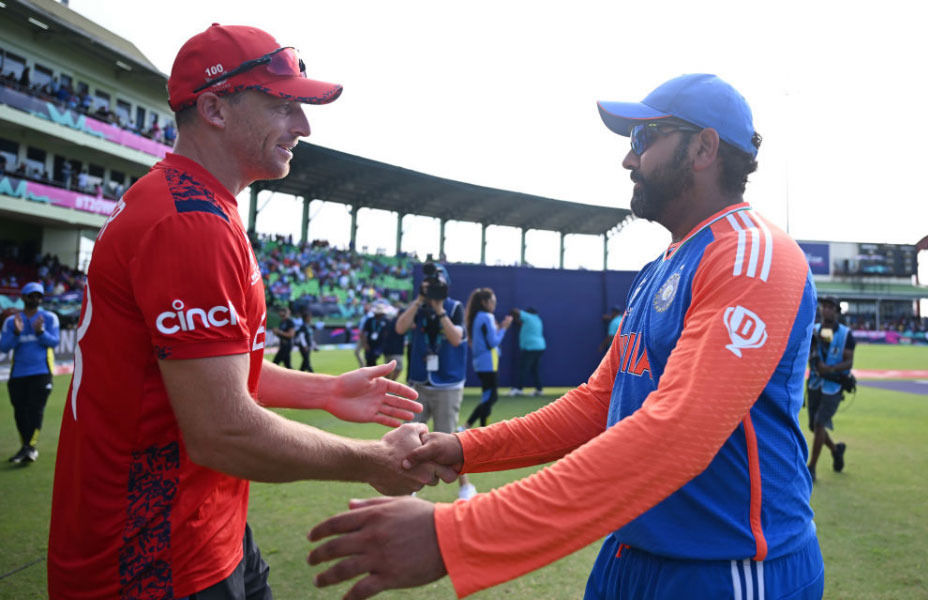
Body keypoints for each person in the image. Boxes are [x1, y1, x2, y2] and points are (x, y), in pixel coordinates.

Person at [307, 74, 824, 600]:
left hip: (730, 566)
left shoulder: (752, 255)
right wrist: (464, 448)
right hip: (631, 552)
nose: (629, 159)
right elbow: (598, 405)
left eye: (643, 138)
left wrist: (457, 535)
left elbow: (678, 432)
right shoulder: (664, 265)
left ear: (704, 148)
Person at [47, 24, 455, 599]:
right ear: (214, 108)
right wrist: (372, 459)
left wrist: (324, 391)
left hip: (207, 526)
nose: (303, 126)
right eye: (282, 105)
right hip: (152, 557)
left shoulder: (194, 205)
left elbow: (210, 372)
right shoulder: (189, 222)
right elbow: (224, 431)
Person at [395, 263, 477, 500]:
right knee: (408, 436)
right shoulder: (418, 307)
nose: (432, 288)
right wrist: (418, 301)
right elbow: (400, 328)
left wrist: (440, 310)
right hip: (420, 382)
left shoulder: (454, 307)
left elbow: (456, 339)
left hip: (446, 384)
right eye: (428, 283)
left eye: (436, 284)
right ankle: (408, 489)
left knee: (447, 441)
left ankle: (465, 487)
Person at [0, 282, 60, 464]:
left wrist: (40, 332)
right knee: (20, 412)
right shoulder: (11, 321)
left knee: (35, 410)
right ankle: (26, 447)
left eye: (39, 296)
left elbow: (54, 342)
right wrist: (16, 333)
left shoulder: (49, 317)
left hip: (41, 371)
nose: (35, 299)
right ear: (23, 297)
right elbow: (4, 347)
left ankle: (29, 447)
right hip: (18, 373)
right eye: (32, 295)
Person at [806, 295, 855, 482]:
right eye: (824, 306)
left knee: (820, 423)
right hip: (815, 383)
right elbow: (812, 352)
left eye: (830, 307)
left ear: (836, 311)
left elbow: (849, 361)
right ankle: (836, 450)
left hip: (834, 385)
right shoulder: (816, 331)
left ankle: (811, 467)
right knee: (814, 426)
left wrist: (830, 368)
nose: (826, 310)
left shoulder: (845, 334)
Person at [464, 288, 513, 428]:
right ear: (484, 302)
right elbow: (493, 342)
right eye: (492, 302)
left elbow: (486, 340)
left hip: (482, 363)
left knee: (488, 396)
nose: (494, 305)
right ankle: (474, 427)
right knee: (491, 397)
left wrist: (500, 328)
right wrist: (504, 328)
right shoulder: (487, 317)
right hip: (488, 363)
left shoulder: (477, 316)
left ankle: (471, 426)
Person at [508, 306, 545, 396]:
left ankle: (518, 389)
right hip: (540, 347)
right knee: (534, 369)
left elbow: (515, 311)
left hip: (531, 348)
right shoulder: (537, 320)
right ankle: (539, 390)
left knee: (523, 368)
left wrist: (510, 317)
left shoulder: (529, 317)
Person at [360, 302, 390, 368]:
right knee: (369, 361)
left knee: (375, 357)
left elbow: (388, 333)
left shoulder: (386, 321)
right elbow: (363, 332)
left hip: (381, 344)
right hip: (370, 344)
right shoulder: (370, 320)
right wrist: (365, 343)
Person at [380, 305, 406, 381]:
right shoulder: (394, 322)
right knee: (396, 368)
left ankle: (388, 383)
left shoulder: (391, 321)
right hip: (394, 349)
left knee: (391, 368)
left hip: (392, 349)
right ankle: (390, 382)